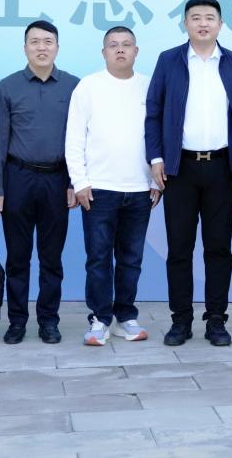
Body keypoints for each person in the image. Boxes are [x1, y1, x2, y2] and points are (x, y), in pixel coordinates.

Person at [145, 0, 232, 347]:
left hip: (222, 168)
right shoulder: (169, 61)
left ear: (220, 24)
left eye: (209, 18)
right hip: (180, 169)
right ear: (185, 23)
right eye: (195, 17)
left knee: (218, 248)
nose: (203, 23)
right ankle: (181, 320)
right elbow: (153, 112)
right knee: (179, 249)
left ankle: (216, 320)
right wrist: (156, 158)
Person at [0, 21, 80, 345]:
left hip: (57, 178)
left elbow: (80, 140)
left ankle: (49, 321)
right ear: (25, 47)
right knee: (17, 257)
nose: (42, 47)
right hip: (18, 178)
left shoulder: (74, 86)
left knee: (51, 258)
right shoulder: (8, 86)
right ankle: (17, 322)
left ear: (57, 47)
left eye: (48, 41)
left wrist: (74, 182)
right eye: (35, 42)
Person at [65, 26, 158, 346]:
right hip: (99, 188)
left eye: (126, 44)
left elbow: (157, 136)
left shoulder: (149, 86)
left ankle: (125, 317)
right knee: (99, 258)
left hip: (140, 189)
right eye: (113, 45)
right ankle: (100, 319)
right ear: (103, 52)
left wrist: (155, 181)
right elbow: (74, 138)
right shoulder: (88, 87)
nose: (120, 49)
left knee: (131, 259)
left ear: (136, 51)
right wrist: (80, 182)